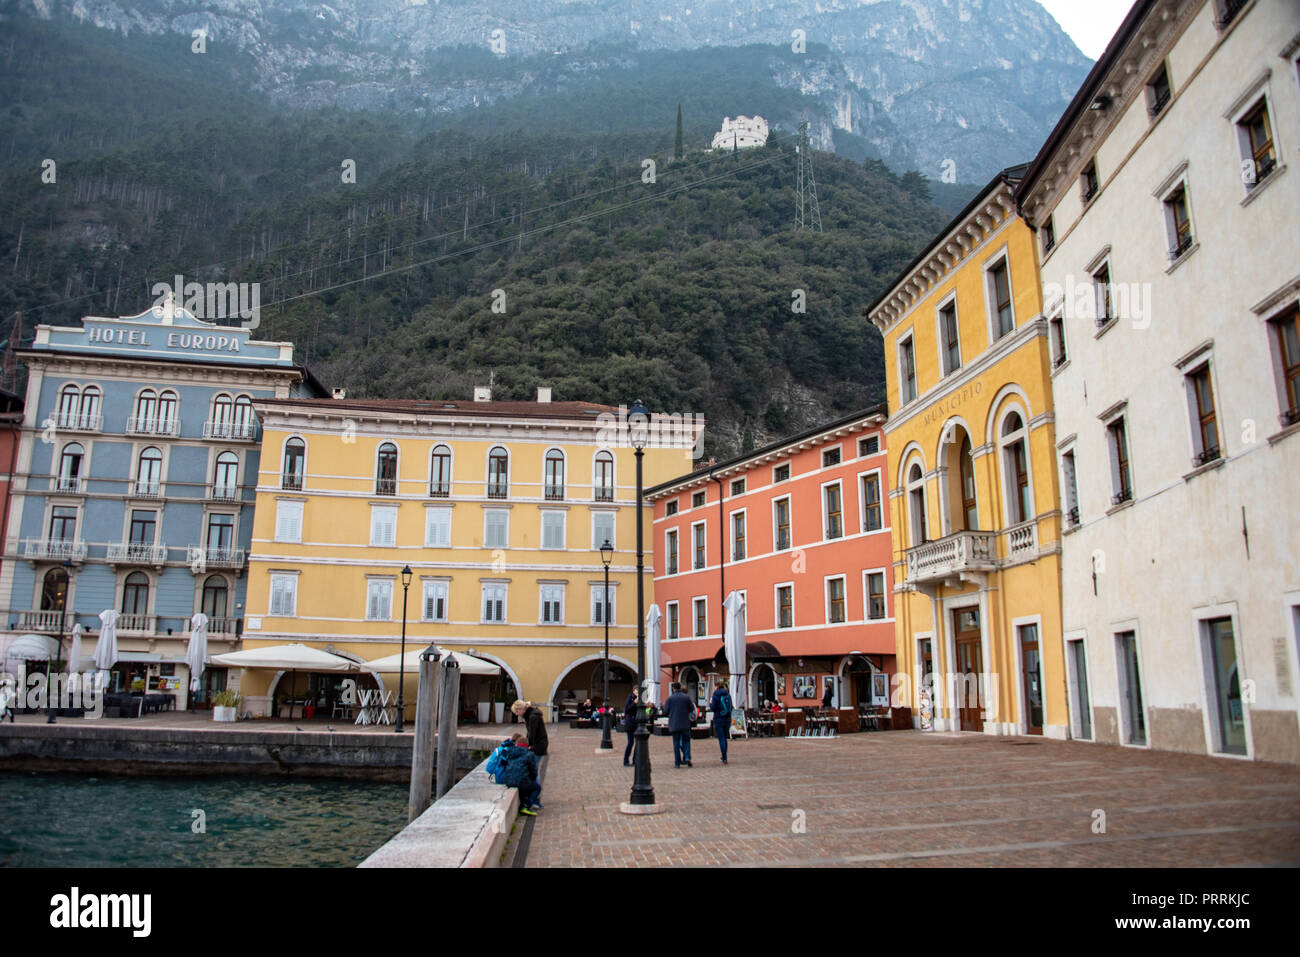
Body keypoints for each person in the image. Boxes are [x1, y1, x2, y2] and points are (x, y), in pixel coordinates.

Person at [497, 732, 543, 815]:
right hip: (522, 781)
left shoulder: (510, 752)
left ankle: (523, 804)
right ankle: (526, 806)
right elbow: (533, 771)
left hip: (508, 780)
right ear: (527, 745)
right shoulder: (529, 754)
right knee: (537, 787)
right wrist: (532, 779)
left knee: (522, 783)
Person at [663, 682, 696, 768]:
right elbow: (691, 708)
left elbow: (665, 711)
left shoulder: (670, 699)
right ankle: (687, 757)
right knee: (687, 741)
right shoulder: (686, 697)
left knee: (676, 743)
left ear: (673, 689)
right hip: (685, 723)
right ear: (680, 688)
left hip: (674, 724)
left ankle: (677, 762)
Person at [709, 678, 733, 765]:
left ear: (717, 686)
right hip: (727, 718)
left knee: (721, 738)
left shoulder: (715, 695)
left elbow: (713, 708)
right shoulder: (728, 694)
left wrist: (710, 704)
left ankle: (724, 757)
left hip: (718, 718)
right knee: (725, 738)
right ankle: (724, 756)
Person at [621, 686, 641, 766]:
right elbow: (627, 709)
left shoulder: (639, 699)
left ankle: (635, 760)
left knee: (638, 743)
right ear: (633, 690)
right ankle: (626, 760)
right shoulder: (630, 698)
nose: (637, 692)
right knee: (630, 742)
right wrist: (634, 703)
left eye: (639, 691)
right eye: (636, 690)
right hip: (630, 723)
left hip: (637, 723)